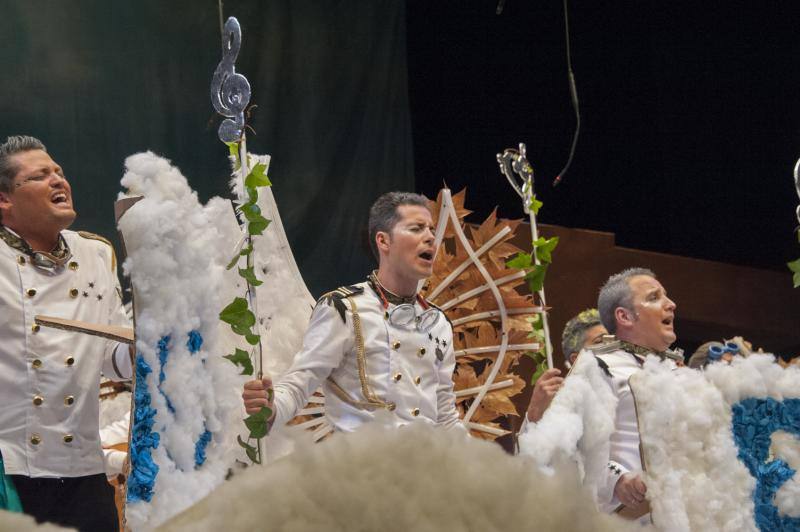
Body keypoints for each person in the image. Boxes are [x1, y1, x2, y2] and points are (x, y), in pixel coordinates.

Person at [242, 192, 462, 433]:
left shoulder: (438, 322)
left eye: (431, 229)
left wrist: (481, 466)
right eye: (417, 228)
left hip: (427, 465)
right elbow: (298, 384)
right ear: (384, 241)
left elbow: (446, 416)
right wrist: (270, 408)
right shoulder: (343, 309)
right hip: (358, 466)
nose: (431, 237)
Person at [0, 135, 131, 531]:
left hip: (83, 469)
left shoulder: (96, 253)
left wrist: (149, 347)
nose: (59, 180)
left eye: (59, 171)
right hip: (11, 467)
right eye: (40, 176)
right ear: (4, 201)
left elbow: (114, 353)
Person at [589, 267, 679, 516]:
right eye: (654, 297)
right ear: (625, 317)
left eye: (667, 296)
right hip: (626, 518)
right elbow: (574, 443)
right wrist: (616, 481)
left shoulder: (678, 372)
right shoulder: (597, 365)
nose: (671, 304)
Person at [524, 308, 607, 423]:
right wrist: (535, 413)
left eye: (614, 340)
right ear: (577, 358)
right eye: (600, 341)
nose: (613, 347)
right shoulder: (564, 404)